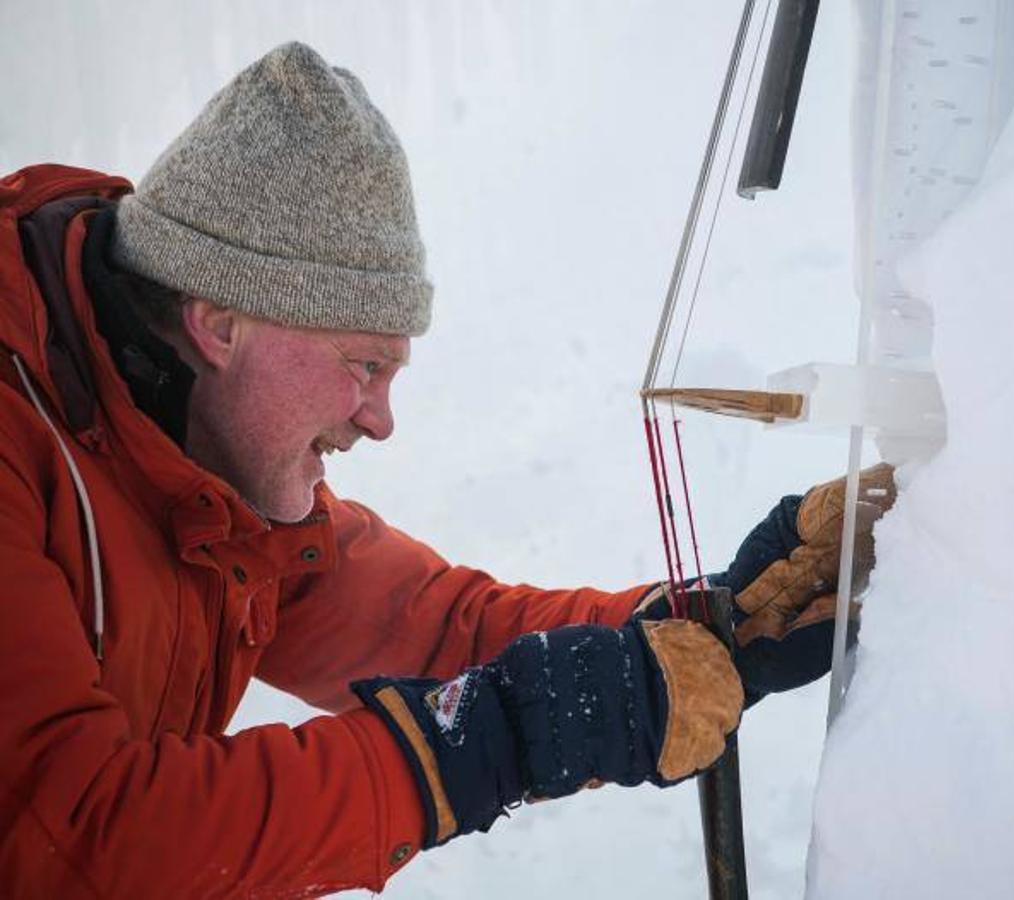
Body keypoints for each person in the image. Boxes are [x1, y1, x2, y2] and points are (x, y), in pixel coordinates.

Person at [0, 42, 894, 897]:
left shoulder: (212, 479)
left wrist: (700, 625)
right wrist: (487, 740)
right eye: (365, 365)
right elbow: (70, 841)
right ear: (222, 323)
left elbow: (435, 628)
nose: (381, 422)